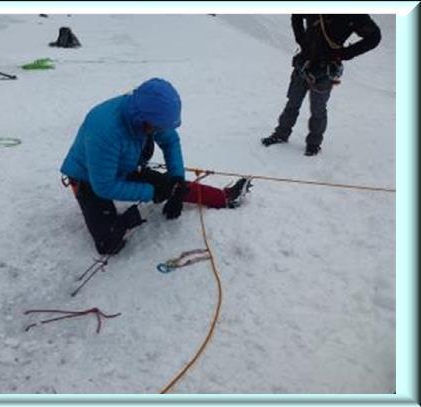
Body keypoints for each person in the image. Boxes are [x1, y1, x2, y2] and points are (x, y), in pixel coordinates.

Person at [61, 78, 251, 255]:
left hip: (124, 165)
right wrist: (152, 192)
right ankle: (123, 221)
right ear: (141, 117)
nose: (160, 132)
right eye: (157, 128)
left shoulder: (149, 115)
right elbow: (104, 186)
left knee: (173, 186)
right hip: (88, 178)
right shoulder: (105, 130)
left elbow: (170, 142)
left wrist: (176, 179)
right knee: (109, 244)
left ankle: (224, 197)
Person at [262, 14, 381, 156]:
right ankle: (281, 134)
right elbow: (297, 15)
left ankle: (313, 144)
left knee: (318, 109)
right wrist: (301, 39)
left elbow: (374, 37)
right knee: (292, 102)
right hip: (304, 62)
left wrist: (345, 53)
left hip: (325, 69)